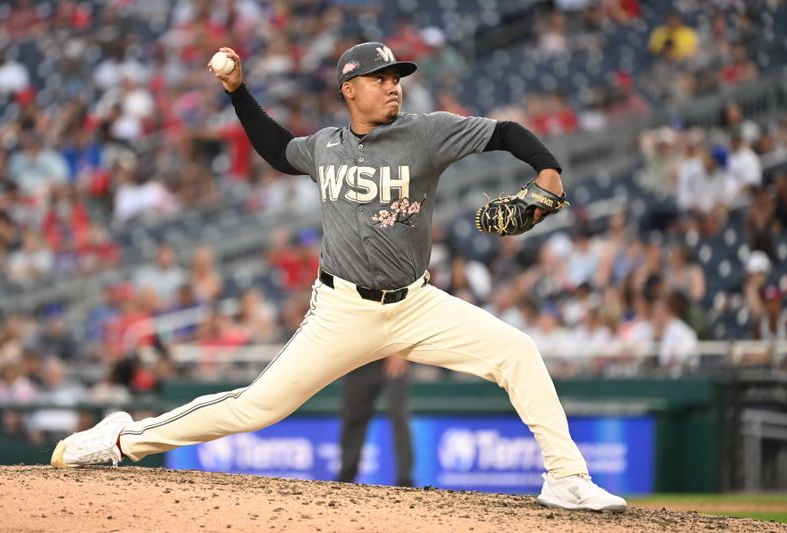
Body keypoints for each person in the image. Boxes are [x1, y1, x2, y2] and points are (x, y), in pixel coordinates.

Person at [51, 42, 627, 513]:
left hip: (416, 305)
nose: (393, 84)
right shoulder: (326, 146)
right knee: (257, 406)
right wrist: (237, 92)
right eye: (380, 78)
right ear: (349, 89)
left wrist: (548, 172)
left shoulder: (426, 132)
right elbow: (278, 152)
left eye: (397, 75)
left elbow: (505, 132)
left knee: (518, 350)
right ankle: (124, 439)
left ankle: (566, 478)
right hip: (342, 311)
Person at [337, 356, 414, 487]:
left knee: (399, 415)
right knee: (353, 418)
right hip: (359, 358)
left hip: (390, 353)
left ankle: (404, 479)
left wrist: (400, 353)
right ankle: (345, 479)